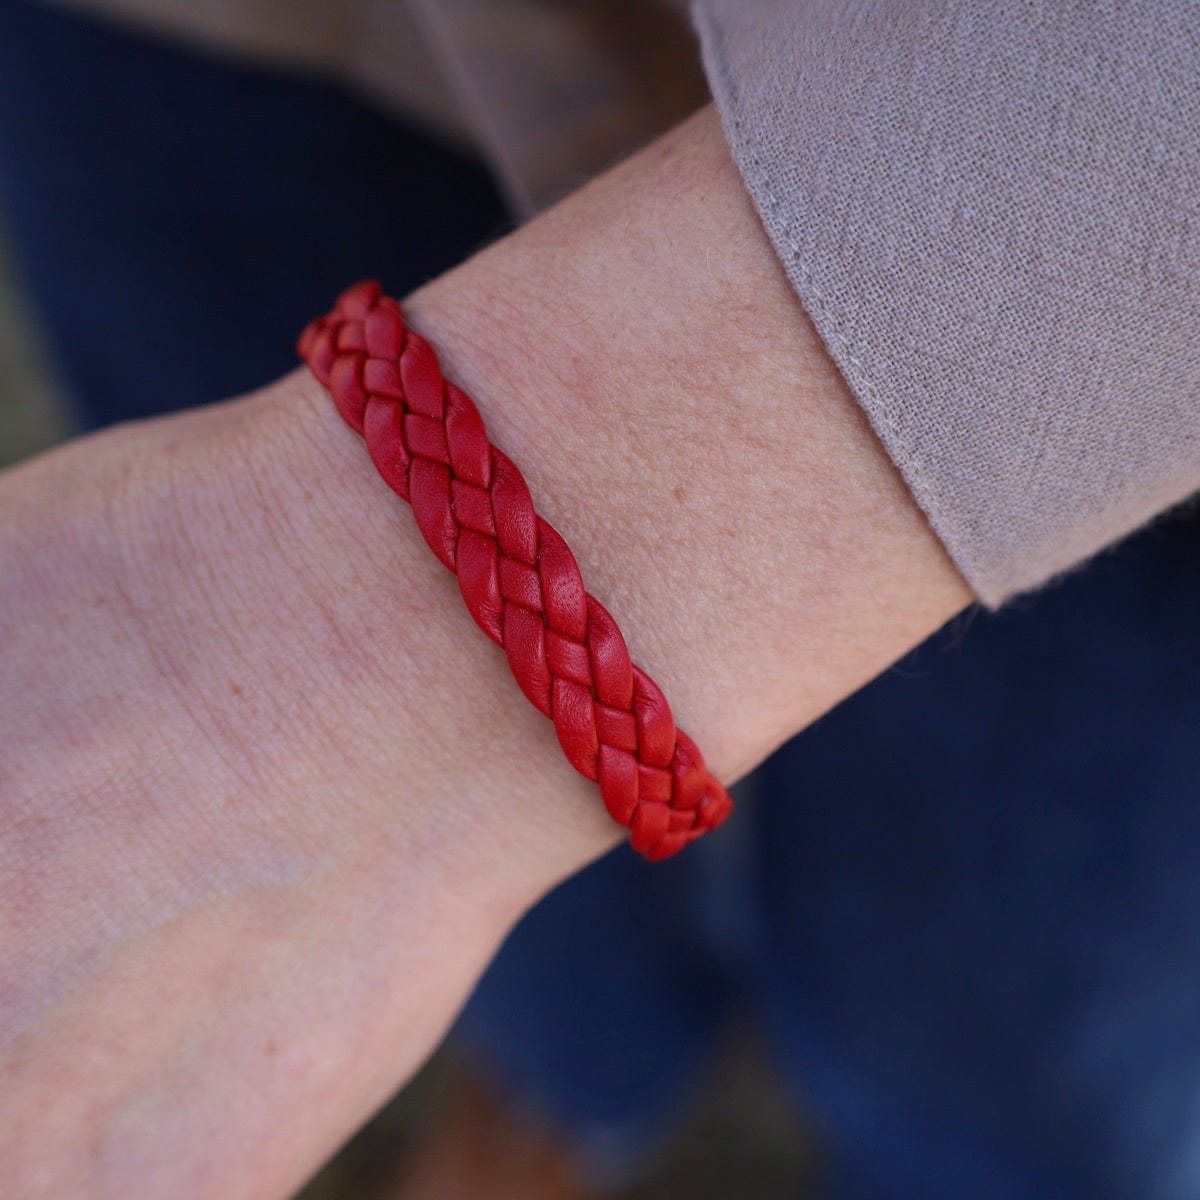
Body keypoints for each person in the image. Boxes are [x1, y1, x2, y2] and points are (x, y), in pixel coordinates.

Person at [1, 3, 1197, 1199]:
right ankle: (570, 1088)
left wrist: (345, 602)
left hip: (1112, 326)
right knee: (511, 960)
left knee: (1000, 1040)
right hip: (226, 39)